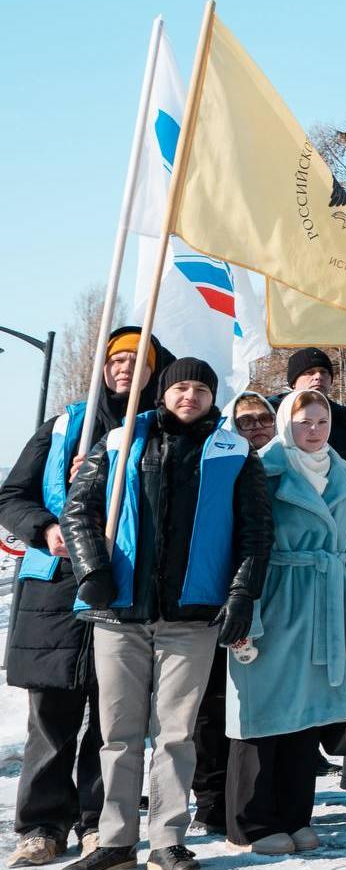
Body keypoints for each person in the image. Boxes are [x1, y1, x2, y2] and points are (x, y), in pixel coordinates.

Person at [62, 356, 273, 870]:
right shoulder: (119, 442)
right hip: (120, 611)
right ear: (163, 392)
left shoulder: (234, 452)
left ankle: (167, 841)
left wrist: (242, 594)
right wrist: (92, 571)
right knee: (118, 733)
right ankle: (114, 841)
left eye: (201, 389)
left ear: (211, 398)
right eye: (181, 387)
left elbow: (257, 532)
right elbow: (77, 511)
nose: (190, 397)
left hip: (191, 615)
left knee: (177, 734)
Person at [2, 328, 161, 867]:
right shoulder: (67, 423)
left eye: (138, 359)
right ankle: (42, 825)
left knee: (114, 717)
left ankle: (100, 821)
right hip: (56, 588)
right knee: (50, 715)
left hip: (125, 588)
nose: (124, 367)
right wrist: (45, 528)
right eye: (116, 358)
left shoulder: (162, 428)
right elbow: (12, 496)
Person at [223, 390, 346, 856]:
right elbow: (241, 545)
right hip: (275, 596)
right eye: (304, 421)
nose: (314, 429)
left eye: (322, 420)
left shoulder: (342, 475)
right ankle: (252, 823)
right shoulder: (261, 470)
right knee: (261, 713)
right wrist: (246, 612)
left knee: (308, 716)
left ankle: (295, 815)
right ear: (287, 422)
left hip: (325, 600)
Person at [189, 394, 276, 838]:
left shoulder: (291, 462)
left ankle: (249, 798)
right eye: (246, 421)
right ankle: (209, 800)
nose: (257, 426)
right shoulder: (220, 465)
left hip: (272, 602)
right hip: (214, 598)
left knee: (251, 707)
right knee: (210, 707)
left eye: (265, 418)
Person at [269, 348, 346, 459]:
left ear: (330, 379)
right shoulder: (268, 416)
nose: (318, 377)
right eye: (309, 372)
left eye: (323, 372)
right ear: (294, 382)